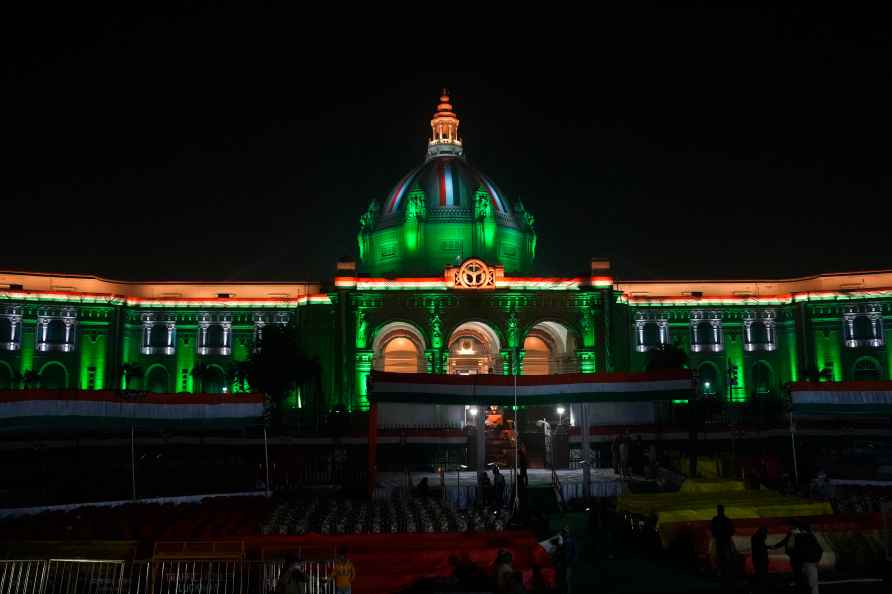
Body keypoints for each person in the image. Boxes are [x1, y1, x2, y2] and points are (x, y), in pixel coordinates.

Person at [710, 505, 736, 585]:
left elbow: (713, 530)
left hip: (721, 541)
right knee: (724, 558)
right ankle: (724, 573)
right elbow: (731, 530)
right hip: (723, 541)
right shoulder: (725, 520)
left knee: (721, 557)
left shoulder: (716, 520)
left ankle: (722, 573)